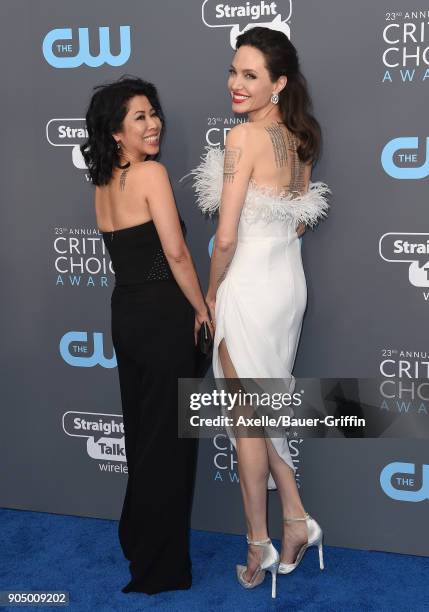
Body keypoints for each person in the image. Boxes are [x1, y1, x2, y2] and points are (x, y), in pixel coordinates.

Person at [191, 27, 329, 598]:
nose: (236, 84)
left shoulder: (243, 138)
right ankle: (294, 520)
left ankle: (259, 541)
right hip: (287, 283)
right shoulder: (300, 139)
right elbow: (297, 221)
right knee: (263, 408)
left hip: (247, 283)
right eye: (233, 71)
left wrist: (209, 296)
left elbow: (224, 238)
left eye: (251, 75)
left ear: (278, 83)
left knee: (248, 418)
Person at [81, 76, 212, 595]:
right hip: (163, 317)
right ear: (116, 132)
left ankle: (142, 543)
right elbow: (176, 253)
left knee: (144, 437)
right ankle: (160, 566)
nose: (153, 123)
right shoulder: (151, 174)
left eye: (153, 112)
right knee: (167, 444)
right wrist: (201, 308)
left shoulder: (102, 184)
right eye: (139, 117)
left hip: (128, 316)